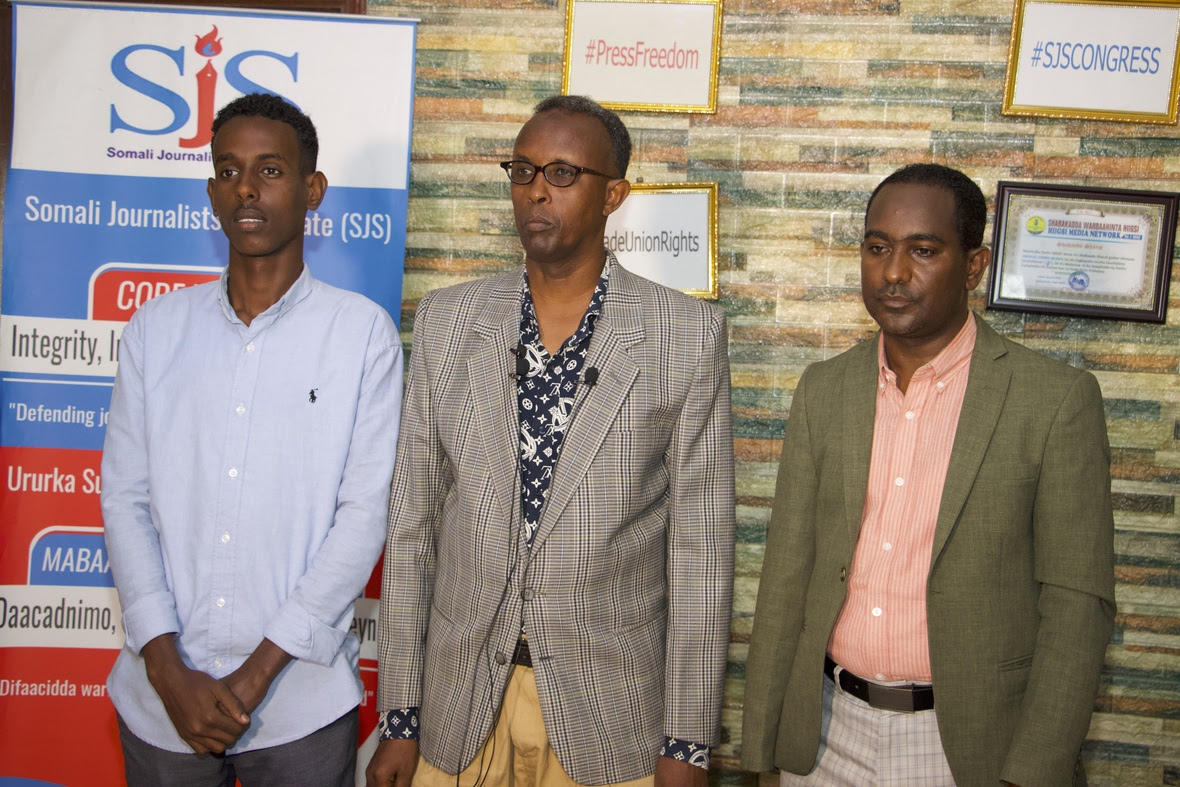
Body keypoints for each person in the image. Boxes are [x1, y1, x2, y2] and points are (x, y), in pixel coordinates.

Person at [365, 95, 735, 787]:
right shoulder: (449, 322)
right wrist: (401, 716)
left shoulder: (683, 336)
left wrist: (686, 744)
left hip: (609, 717)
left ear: (613, 194)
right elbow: (412, 528)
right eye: (523, 169)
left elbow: (700, 555)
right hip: (458, 707)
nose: (537, 189)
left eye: (563, 173)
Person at [741, 163, 1115, 787]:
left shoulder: (1053, 400)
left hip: (969, 749)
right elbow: (787, 577)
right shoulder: (824, 390)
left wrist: (1032, 771)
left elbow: (1077, 609)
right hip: (829, 736)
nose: (893, 272)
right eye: (878, 247)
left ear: (973, 266)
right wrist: (762, 747)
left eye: (923, 250)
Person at [101, 93, 403, 786]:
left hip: (299, 700)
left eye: (270, 169)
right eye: (230, 169)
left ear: (312, 189)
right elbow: (125, 500)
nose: (246, 187)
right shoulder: (155, 331)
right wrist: (167, 667)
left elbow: (365, 516)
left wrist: (256, 672)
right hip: (161, 702)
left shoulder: (360, 337)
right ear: (211, 191)